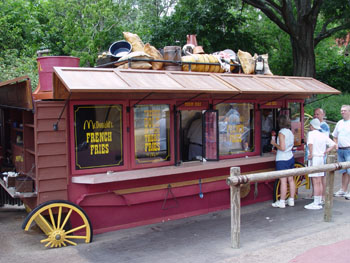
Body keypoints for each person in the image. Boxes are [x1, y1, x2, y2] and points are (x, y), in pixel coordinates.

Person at [305, 118, 336, 210]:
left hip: (314, 157)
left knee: (315, 181)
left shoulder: (311, 134)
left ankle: (316, 202)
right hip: (321, 158)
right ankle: (319, 201)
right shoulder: (322, 135)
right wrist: (326, 151)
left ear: (312, 126)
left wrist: (310, 153)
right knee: (319, 181)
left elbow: (310, 144)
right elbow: (333, 144)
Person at [270, 115, 296, 208]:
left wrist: (274, 144)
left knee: (283, 181)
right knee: (291, 180)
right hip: (290, 157)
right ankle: (291, 200)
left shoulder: (281, 133)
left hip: (282, 159)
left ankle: (282, 201)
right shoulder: (290, 132)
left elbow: (282, 148)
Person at [332, 105, 350, 199]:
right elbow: (334, 136)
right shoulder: (339, 123)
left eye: (344, 111)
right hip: (341, 149)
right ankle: (343, 189)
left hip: (349, 149)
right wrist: (336, 144)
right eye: (341, 110)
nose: (342, 112)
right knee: (343, 171)